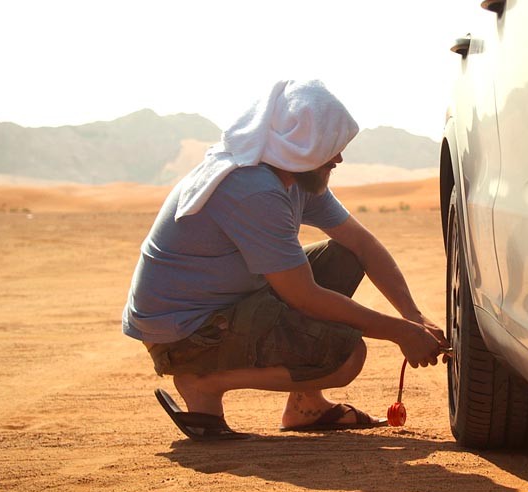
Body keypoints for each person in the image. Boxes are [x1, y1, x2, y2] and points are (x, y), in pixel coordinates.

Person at [122, 79, 448, 441]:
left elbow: (362, 245)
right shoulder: (252, 187)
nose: (338, 159)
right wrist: (400, 333)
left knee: (344, 257)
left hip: (225, 307)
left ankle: (306, 406)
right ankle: (203, 382)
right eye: (330, 149)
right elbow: (303, 296)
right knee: (345, 356)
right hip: (186, 335)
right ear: (302, 147)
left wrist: (413, 316)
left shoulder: (294, 177)